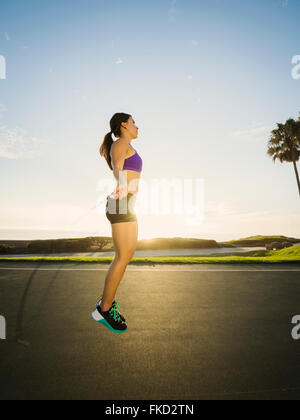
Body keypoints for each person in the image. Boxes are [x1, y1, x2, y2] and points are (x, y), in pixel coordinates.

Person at [91, 113, 143, 333]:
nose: (137, 126)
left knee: (126, 255)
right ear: (123, 125)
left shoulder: (126, 144)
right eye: (133, 122)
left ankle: (107, 303)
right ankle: (104, 308)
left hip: (127, 203)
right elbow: (117, 166)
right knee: (122, 257)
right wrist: (121, 184)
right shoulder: (120, 143)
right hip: (121, 203)